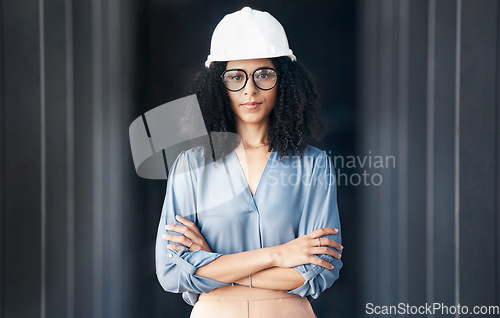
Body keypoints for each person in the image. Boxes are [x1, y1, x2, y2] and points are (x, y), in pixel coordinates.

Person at [155, 6, 343, 318]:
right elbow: (171, 271)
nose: (250, 89)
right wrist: (279, 255)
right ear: (218, 85)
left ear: (285, 82)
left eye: (264, 75)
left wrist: (214, 265)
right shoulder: (190, 167)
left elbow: (319, 271)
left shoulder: (313, 165)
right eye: (235, 77)